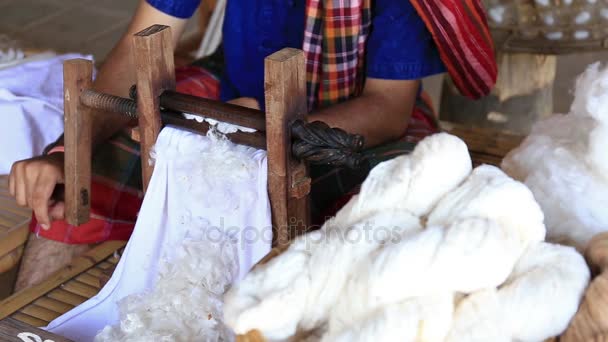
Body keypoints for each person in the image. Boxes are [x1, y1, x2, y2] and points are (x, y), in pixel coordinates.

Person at [7, 0, 497, 291]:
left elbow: (386, 109)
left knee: (385, 223)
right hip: (234, 98)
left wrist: (263, 129)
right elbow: (138, 49)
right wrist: (65, 153)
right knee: (82, 179)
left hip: (351, 126)